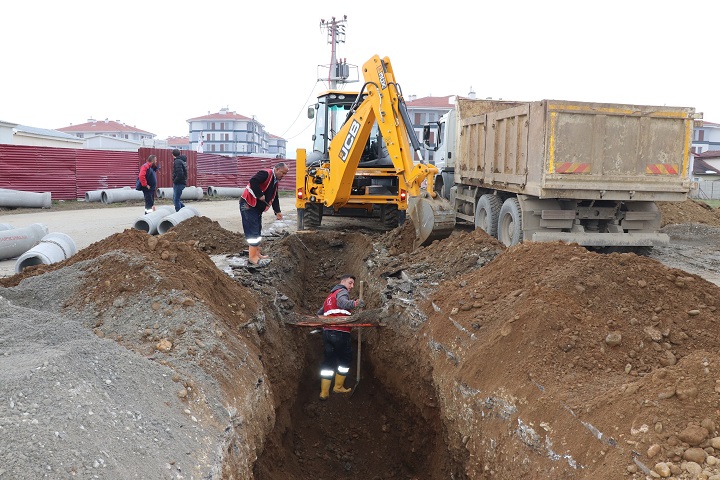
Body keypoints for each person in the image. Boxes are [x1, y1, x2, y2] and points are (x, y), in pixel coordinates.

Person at [316, 274, 365, 400]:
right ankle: (338, 387)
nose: (352, 286)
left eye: (353, 284)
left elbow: (319, 314)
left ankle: (324, 392)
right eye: (350, 283)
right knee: (345, 360)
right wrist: (355, 303)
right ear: (342, 282)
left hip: (327, 333)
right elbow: (343, 303)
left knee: (328, 361)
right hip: (340, 332)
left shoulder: (329, 297)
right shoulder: (342, 292)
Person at [239, 162, 288, 267]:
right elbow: (253, 181)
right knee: (252, 230)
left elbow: (275, 197)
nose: (283, 176)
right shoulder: (266, 174)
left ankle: (257, 253)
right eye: (283, 173)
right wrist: (259, 194)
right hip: (248, 204)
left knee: (257, 229)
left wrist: (277, 211)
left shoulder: (275, 181)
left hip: (256, 207)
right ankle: (252, 257)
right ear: (277, 169)